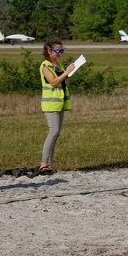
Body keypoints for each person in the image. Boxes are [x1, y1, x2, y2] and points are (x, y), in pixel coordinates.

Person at [39, 39, 73, 175]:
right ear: (49, 51)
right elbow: (53, 82)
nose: (59, 53)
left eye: (61, 51)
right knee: (53, 132)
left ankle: (49, 163)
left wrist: (68, 73)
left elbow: (64, 81)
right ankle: (43, 163)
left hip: (59, 103)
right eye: (57, 51)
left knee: (56, 133)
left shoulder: (57, 65)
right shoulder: (46, 65)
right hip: (51, 104)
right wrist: (66, 72)